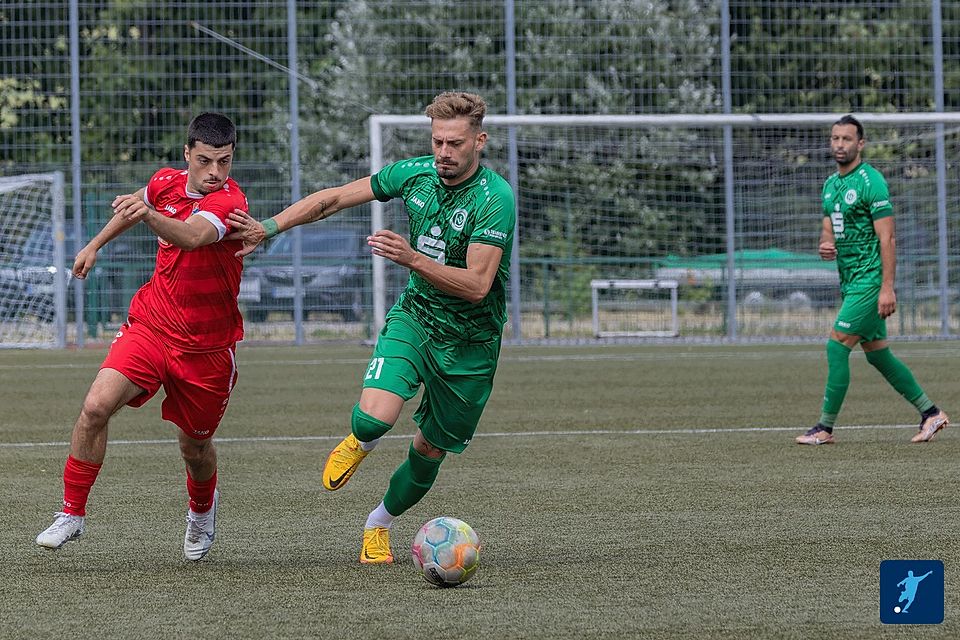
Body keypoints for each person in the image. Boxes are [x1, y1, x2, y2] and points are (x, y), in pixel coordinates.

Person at [227, 91, 515, 563]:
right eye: (438, 141)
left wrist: (411, 257)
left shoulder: (495, 199)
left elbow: (478, 285)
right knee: (373, 418)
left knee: (429, 451)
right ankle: (361, 439)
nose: (444, 151)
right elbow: (334, 199)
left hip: (472, 344)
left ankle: (377, 524)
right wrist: (269, 227)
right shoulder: (414, 173)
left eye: (455, 143)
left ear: (478, 141)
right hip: (418, 318)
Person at [35, 113, 251, 560]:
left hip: (206, 349)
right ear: (187, 154)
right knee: (95, 407)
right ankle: (72, 513)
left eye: (224, 162)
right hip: (152, 325)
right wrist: (95, 244)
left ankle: (201, 511)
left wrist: (150, 214)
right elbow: (137, 205)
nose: (215, 172)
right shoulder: (164, 183)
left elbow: (192, 237)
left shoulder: (230, 202)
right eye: (206, 161)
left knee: (195, 446)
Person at [795, 115, 948, 445]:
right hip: (849, 281)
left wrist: (887, 287)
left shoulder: (871, 181)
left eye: (846, 139)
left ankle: (824, 427)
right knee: (878, 354)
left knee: (836, 345)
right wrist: (826, 243)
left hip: (869, 280)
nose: (839, 145)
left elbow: (888, 239)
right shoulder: (830, 185)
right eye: (835, 138)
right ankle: (931, 413)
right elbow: (828, 223)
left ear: (860, 144)